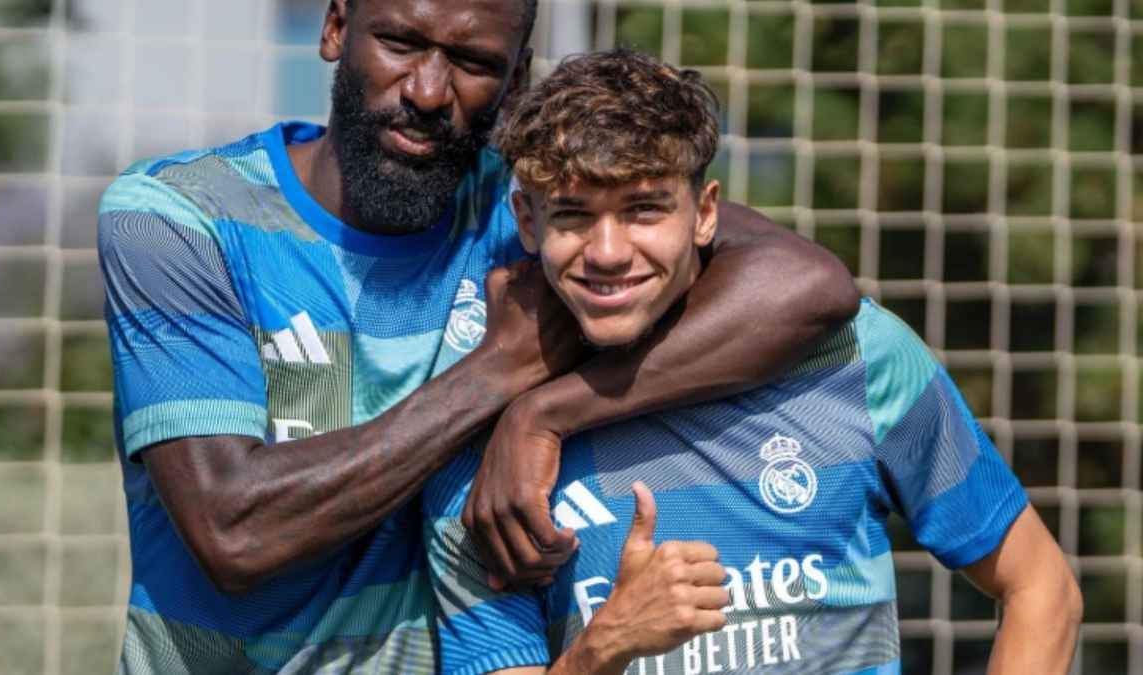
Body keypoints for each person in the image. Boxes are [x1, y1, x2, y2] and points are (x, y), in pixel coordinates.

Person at [97, 1, 858, 673]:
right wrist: (494, 376)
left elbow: (810, 285)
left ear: (515, 81)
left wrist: (548, 411)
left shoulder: (530, 210)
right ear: (336, 28)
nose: (428, 91)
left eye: (471, 62)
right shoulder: (179, 219)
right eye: (399, 42)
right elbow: (236, 532)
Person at [423, 49, 1083, 675]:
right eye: (573, 214)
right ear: (528, 222)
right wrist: (607, 644)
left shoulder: (857, 356)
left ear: (705, 213)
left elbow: (1041, 587)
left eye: (644, 209)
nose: (607, 251)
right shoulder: (488, 455)